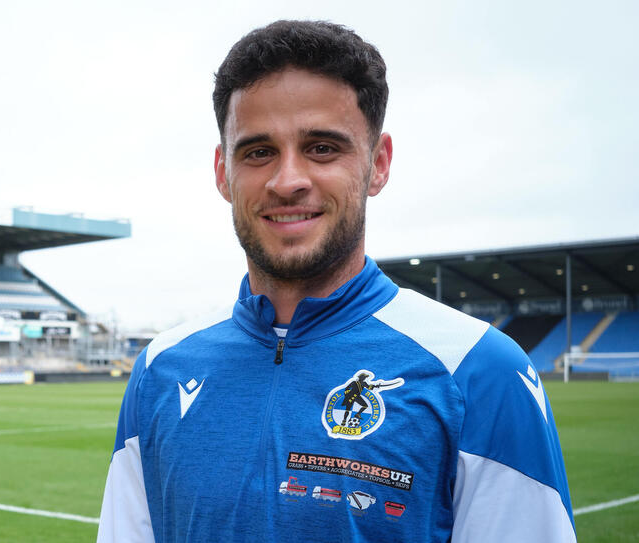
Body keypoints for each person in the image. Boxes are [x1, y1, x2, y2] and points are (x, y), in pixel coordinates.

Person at [97, 20, 575, 542]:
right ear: (222, 172)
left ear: (378, 164)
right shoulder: (159, 369)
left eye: (323, 148)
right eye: (258, 152)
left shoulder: (479, 372)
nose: (287, 181)